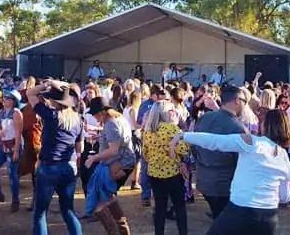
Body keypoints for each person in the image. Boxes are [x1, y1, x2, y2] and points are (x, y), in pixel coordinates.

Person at [170, 109, 290, 235]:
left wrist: (184, 136)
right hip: (269, 218)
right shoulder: (283, 157)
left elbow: (216, 141)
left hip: (242, 211)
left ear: (267, 125)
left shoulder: (253, 143)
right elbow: (284, 197)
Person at [26, 81, 84, 235]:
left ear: (54, 101)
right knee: (68, 211)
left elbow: (30, 93)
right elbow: (80, 147)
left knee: (40, 213)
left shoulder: (51, 116)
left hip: (49, 166)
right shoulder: (78, 120)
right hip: (69, 166)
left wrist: (49, 83)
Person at [192, 85, 247, 219]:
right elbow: (242, 161)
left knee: (220, 218)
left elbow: (194, 147)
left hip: (205, 182)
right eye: (244, 101)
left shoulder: (205, 118)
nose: (245, 105)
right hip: (225, 185)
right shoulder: (238, 128)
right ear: (237, 101)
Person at [84, 97, 136, 235]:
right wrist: (100, 136)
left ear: (102, 112)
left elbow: (113, 150)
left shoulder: (111, 124)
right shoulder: (118, 119)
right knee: (109, 198)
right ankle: (123, 232)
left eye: (94, 114)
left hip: (119, 165)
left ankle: (116, 232)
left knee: (100, 204)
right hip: (123, 163)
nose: (93, 117)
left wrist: (94, 158)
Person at [142, 100, 189, 235]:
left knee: (160, 209)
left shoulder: (148, 131)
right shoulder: (171, 129)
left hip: (154, 174)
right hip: (173, 174)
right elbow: (184, 149)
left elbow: (145, 153)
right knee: (179, 207)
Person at [0, 89, 25, 212]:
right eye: (4, 97)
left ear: (13, 101)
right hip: (2, 145)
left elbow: (18, 133)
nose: (4, 99)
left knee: (12, 174)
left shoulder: (16, 113)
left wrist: (16, 150)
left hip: (13, 146)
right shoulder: (0, 113)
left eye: (7, 97)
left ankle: (15, 200)